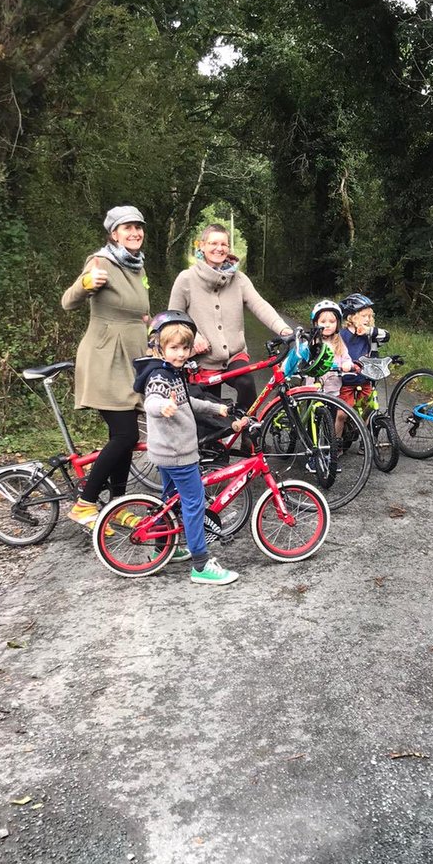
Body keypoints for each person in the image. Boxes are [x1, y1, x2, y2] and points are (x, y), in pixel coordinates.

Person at [133, 310, 246, 585]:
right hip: (177, 453)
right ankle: (201, 563)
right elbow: (151, 403)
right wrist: (163, 406)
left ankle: (164, 547)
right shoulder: (160, 376)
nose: (181, 353)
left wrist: (216, 408)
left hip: (167, 451)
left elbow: (189, 403)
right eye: (174, 348)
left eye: (185, 347)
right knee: (193, 504)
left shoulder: (174, 373)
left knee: (169, 501)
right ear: (159, 347)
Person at [60, 205, 150, 529]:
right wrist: (85, 283)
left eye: (138, 227)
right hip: (104, 359)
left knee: (121, 437)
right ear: (114, 233)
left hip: (131, 359)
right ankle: (85, 503)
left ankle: (118, 506)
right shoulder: (101, 262)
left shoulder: (137, 266)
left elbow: (139, 313)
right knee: (125, 435)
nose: (135, 232)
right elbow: (68, 301)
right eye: (127, 228)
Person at [168, 224, 293, 411]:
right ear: (202, 245)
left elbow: (259, 304)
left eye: (224, 244)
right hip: (204, 360)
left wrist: (283, 328)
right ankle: (217, 439)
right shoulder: (186, 278)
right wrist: (194, 337)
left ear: (228, 248)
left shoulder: (239, 279)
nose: (219, 248)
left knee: (247, 385)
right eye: (213, 243)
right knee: (209, 415)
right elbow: (174, 317)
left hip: (235, 354)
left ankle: (246, 431)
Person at [339, 293, 391, 409]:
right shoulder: (342, 335)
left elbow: (386, 336)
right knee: (343, 413)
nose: (367, 319)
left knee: (365, 409)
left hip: (365, 380)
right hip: (347, 381)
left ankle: (363, 427)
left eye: (369, 316)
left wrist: (368, 331)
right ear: (351, 317)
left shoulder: (370, 335)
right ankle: (337, 427)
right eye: (363, 316)